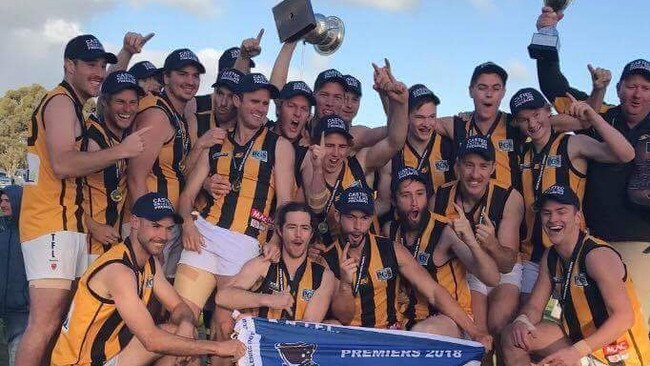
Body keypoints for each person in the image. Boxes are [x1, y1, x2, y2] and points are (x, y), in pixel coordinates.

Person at [17, 34, 147, 366]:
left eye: (102, 65)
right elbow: (62, 163)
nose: (99, 72)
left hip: (65, 225)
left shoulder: (74, 101)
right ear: (68, 65)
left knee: (62, 322)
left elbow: (107, 84)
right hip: (50, 223)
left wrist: (125, 55)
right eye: (90, 64)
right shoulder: (60, 102)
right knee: (44, 324)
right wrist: (122, 150)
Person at [534, 7, 650, 322]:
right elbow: (553, 85)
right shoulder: (600, 113)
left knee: (633, 324)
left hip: (640, 242)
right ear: (618, 88)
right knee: (589, 323)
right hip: (591, 241)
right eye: (630, 85)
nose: (637, 93)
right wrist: (547, 30)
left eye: (645, 87)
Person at [174, 72, 295, 363]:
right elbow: (186, 196)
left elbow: (286, 203)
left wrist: (277, 238)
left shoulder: (279, 146)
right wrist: (188, 222)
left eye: (265, 103)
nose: (260, 108)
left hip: (244, 244)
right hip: (202, 235)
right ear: (237, 100)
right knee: (182, 322)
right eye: (254, 101)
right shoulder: (217, 140)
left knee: (226, 329)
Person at [51, 193, 245, 366]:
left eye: (169, 228)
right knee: (183, 344)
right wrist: (218, 348)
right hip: (81, 362)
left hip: (109, 353)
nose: (163, 236)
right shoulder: (119, 271)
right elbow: (151, 340)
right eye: (155, 226)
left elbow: (179, 306)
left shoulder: (148, 262)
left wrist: (187, 324)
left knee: (181, 335)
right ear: (135, 222)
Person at [321, 186, 492, 349]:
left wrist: (475, 332)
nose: (357, 226)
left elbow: (434, 292)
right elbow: (343, 317)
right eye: (351, 217)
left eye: (364, 218)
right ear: (337, 216)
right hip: (351, 340)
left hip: (390, 333)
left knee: (422, 334)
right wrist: (345, 283)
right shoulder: (327, 260)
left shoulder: (390, 249)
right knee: (329, 327)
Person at [502, 185, 650, 366]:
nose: (553, 219)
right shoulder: (551, 255)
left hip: (617, 354)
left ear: (577, 217)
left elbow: (624, 317)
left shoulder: (596, 255)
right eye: (547, 213)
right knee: (513, 336)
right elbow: (534, 306)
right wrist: (522, 320)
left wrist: (574, 353)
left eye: (561, 212)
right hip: (578, 342)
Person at [509, 87, 634, 298]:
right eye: (524, 119)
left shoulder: (572, 144)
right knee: (525, 318)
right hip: (533, 255)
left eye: (536, 115)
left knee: (578, 319)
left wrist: (593, 118)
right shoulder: (522, 153)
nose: (532, 123)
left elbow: (626, 154)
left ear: (549, 111)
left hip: (572, 252)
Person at [431, 135, 523, 363]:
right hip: (466, 267)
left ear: (493, 167)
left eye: (483, 166)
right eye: (469, 165)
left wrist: (491, 243)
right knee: (479, 330)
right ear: (458, 166)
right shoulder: (440, 197)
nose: (475, 174)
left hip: (502, 267)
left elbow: (507, 263)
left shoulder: (509, 196)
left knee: (499, 322)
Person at [385, 167, 499, 332]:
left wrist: (471, 242)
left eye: (419, 194)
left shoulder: (446, 230)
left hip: (450, 319)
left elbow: (493, 279)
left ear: (428, 196)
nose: (414, 202)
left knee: (423, 333)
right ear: (394, 200)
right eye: (405, 195)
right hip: (405, 318)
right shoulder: (389, 230)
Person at [127, 48, 205, 277]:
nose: (190, 81)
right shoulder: (157, 116)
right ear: (166, 78)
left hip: (166, 224)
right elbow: (135, 176)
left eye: (195, 76)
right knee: (143, 295)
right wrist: (150, 229)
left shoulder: (175, 114)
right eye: (183, 74)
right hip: (150, 226)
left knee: (159, 299)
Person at [216, 202, 335, 322]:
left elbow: (307, 328)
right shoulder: (264, 263)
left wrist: (261, 324)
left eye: (305, 228)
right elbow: (222, 297)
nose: (298, 234)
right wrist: (267, 299)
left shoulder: (324, 275)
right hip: (257, 339)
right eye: (291, 227)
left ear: (311, 234)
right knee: (223, 313)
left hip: (295, 340)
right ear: (280, 231)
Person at [84, 71, 146, 262]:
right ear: (105, 102)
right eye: (120, 101)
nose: (127, 108)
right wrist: (92, 226)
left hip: (110, 239)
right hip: (85, 238)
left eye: (133, 102)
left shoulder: (124, 138)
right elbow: (66, 189)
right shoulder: (91, 135)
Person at [434, 62, 524, 190]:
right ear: (471, 91)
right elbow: (419, 120)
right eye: (482, 88)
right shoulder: (458, 124)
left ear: (503, 92)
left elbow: (551, 122)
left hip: (507, 207)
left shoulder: (515, 124)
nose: (489, 94)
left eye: (496, 88)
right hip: (465, 207)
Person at [376, 84, 455, 220]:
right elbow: (384, 203)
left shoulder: (449, 147)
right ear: (406, 117)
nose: (427, 124)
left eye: (432, 117)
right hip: (403, 227)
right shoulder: (392, 151)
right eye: (420, 117)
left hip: (442, 226)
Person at [0, 186, 27, 366]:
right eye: (1, 200)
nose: (2, 204)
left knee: (16, 357)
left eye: (7, 200)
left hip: (22, 311)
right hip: (4, 310)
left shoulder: (29, 232)